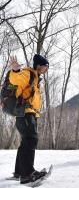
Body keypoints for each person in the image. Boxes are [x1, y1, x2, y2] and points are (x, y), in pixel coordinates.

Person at [7, 54, 49, 184]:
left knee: (26, 141)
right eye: (45, 66)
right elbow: (15, 79)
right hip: (25, 112)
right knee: (31, 139)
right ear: (38, 65)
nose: (47, 69)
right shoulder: (28, 73)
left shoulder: (36, 78)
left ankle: (20, 172)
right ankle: (27, 174)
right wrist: (15, 70)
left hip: (29, 113)